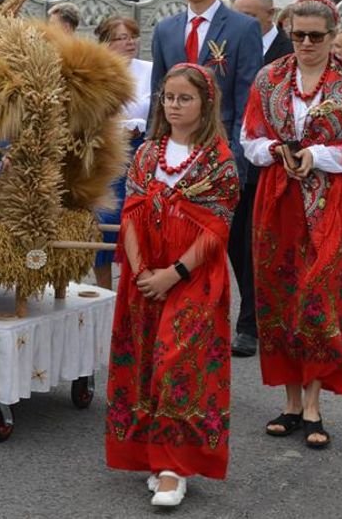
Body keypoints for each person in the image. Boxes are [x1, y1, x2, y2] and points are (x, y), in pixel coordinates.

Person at [243, 0, 342, 450]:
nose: (304, 43)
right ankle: (290, 400)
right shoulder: (270, 77)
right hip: (278, 201)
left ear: (332, 35)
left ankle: (315, 403)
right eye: (297, 34)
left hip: (333, 201)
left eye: (315, 36)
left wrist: (317, 154)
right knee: (280, 294)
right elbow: (250, 137)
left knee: (321, 296)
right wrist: (276, 151)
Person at [105, 63, 240, 508]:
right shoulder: (147, 153)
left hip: (192, 278)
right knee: (145, 363)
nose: (175, 106)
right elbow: (131, 212)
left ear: (206, 104)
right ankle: (155, 456)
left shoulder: (219, 159)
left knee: (177, 365)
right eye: (169, 98)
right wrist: (142, 270)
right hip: (146, 277)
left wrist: (172, 275)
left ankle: (174, 469)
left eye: (186, 99)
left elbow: (216, 229)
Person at [151, 0, 262, 358]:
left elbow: (246, 95)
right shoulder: (165, 30)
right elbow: (158, 95)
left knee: (235, 244)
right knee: (177, 241)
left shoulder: (241, 29)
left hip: (223, 154)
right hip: (174, 153)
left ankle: (249, 324)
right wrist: (152, 150)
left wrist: (234, 159)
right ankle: (182, 314)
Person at [223, 0, 294, 359]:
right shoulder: (230, 44)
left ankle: (251, 324)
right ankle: (253, 315)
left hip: (270, 163)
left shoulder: (286, 52)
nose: (244, 22)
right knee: (236, 242)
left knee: (257, 244)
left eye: (251, 15)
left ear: (271, 14)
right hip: (232, 156)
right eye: (240, 14)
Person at [92, 15, 152, 290]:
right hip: (108, 153)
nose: (130, 43)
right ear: (106, 43)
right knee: (105, 219)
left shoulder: (150, 70)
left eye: (133, 36)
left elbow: (153, 112)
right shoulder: (98, 72)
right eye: (122, 37)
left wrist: (136, 126)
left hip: (141, 152)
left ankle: (133, 288)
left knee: (137, 220)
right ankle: (105, 290)